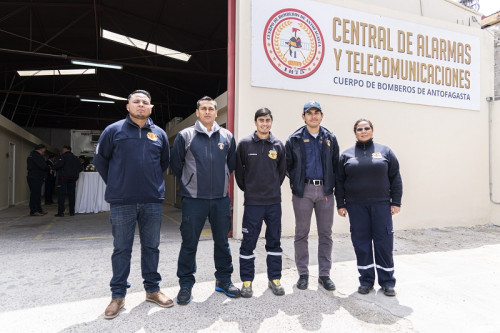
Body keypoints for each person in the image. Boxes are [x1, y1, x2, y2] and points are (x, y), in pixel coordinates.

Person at [94, 90, 172, 319]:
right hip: (122, 201)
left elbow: (164, 162)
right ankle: (117, 296)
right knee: (121, 249)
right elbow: (100, 160)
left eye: (145, 102)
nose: (140, 105)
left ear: (151, 107)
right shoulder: (113, 130)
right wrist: (117, 183)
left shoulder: (159, 134)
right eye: (136, 102)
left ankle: (152, 290)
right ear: (128, 106)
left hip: (151, 201)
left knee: (151, 247)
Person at [171, 96, 239, 305]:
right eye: (203, 108)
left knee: (222, 242)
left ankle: (224, 280)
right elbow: (176, 165)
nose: (208, 112)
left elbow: (231, 163)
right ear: (197, 112)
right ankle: (185, 284)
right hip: (194, 200)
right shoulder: (186, 135)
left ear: (216, 112)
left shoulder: (227, 136)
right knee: (189, 243)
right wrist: (191, 181)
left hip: (220, 199)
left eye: (211, 108)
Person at [335, 119, 402, 297]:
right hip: (356, 207)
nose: (363, 131)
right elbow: (339, 181)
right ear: (355, 133)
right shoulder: (347, 154)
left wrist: (396, 202)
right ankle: (366, 281)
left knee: (384, 243)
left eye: (366, 128)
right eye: (359, 129)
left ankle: (387, 282)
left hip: (381, 205)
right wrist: (340, 204)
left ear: (372, 130)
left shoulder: (385, 151)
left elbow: (395, 177)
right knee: (361, 243)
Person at [285, 100, 339, 291]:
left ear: (322, 116)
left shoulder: (330, 138)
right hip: (303, 192)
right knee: (301, 233)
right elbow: (287, 165)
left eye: (317, 113)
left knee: (326, 234)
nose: (313, 116)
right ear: (303, 117)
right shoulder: (295, 139)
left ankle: (324, 274)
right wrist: (297, 183)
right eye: (309, 113)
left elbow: (335, 166)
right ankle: (303, 274)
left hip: (325, 192)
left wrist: (333, 189)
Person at [235, 108, 287, 297]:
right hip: (253, 204)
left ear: (271, 122)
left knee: (274, 242)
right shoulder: (245, 144)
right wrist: (250, 189)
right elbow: (239, 173)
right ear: (255, 122)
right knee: (248, 242)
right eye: (261, 120)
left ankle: (275, 278)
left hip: (274, 203)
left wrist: (272, 188)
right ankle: (247, 282)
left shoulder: (279, 145)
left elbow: (281, 173)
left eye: (267, 120)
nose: (264, 123)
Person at [54, 146, 83, 217]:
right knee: (72, 195)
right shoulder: (76, 158)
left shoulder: (62, 156)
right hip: (73, 178)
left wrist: (53, 168)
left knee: (61, 195)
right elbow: (80, 168)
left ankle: (61, 212)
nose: (62, 151)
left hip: (63, 178)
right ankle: (71, 212)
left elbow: (58, 165)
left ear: (65, 149)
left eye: (62, 149)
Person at [27, 144, 49, 216]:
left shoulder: (31, 155)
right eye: (44, 150)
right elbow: (43, 166)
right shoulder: (37, 156)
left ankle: (39, 209)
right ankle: (33, 211)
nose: (44, 152)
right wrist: (49, 168)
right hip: (35, 177)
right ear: (41, 149)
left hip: (33, 176)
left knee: (37, 194)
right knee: (35, 194)